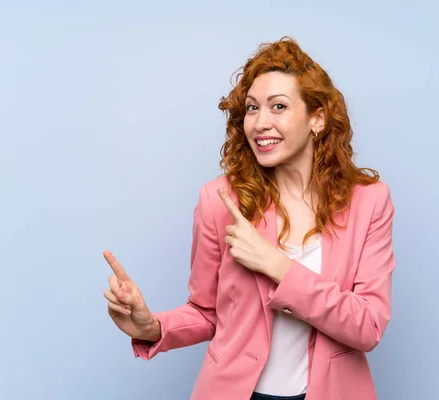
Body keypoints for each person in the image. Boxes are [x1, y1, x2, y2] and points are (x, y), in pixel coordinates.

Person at [103, 36, 395, 400]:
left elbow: (367, 326)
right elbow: (207, 313)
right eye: (253, 108)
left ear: (317, 119)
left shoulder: (368, 202)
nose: (260, 123)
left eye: (278, 107)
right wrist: (152, 326)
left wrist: (278, 266)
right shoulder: (220, 201)